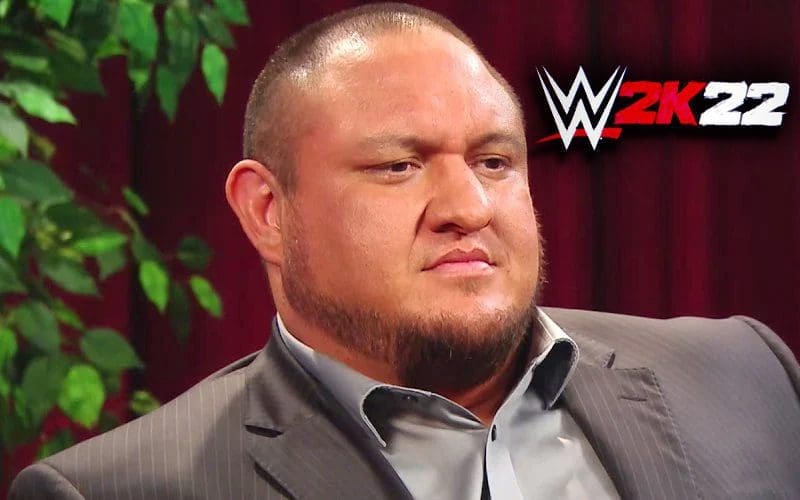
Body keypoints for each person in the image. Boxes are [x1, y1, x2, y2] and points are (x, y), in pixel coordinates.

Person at [10, 3, 800, 499]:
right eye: (398, 166)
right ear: (267, 211)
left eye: (495, 162)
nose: (467, 208)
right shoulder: (118, 490)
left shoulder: (744, 377)